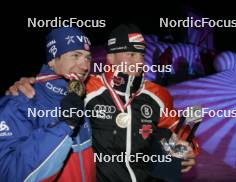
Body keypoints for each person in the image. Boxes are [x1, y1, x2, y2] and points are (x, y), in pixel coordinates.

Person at [7, 24, 198, 182]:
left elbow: (177, 131)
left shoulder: (158, 94)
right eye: (130, 54)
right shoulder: (87, 86)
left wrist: (189, 148)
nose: (138, 61)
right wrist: (27, 83)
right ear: (110, 58)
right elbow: (51, 84)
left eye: (141, 54)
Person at [0, 27, 95, 182]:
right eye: (75, 55)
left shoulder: (83, 93)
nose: (85, 66)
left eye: (87, 58)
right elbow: (8, 174)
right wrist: (65, 124)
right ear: (52, 60)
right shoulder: (20, 101)